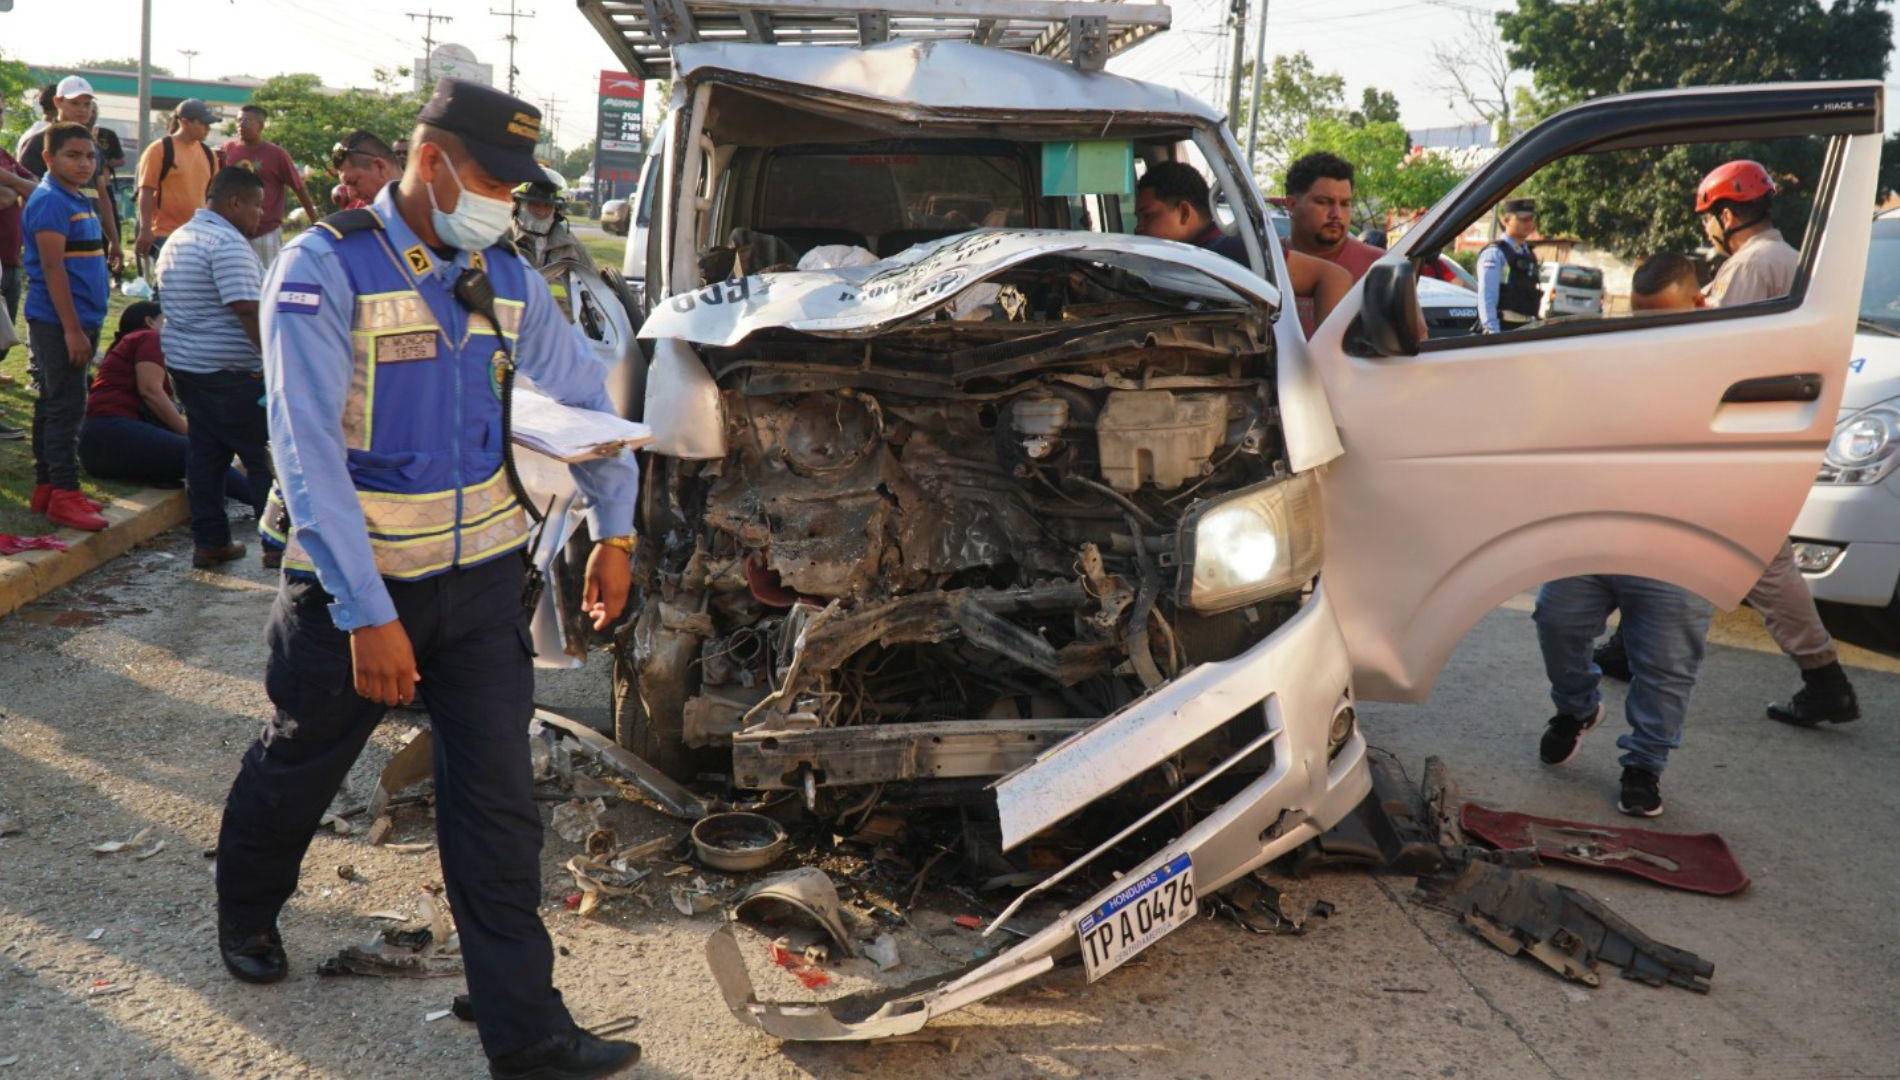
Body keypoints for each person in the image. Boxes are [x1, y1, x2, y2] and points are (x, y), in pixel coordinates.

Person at [215, 78, 641, 1080]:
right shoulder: (327, 270)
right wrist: (367, 615)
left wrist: (616, 531)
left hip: (485, 588)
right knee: (301, 761)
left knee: (497, 805)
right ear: (433, 159)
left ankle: (526, 1035)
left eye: (517, 185)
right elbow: (305, 449)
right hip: (352, 598)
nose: (506, 199)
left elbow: (589, 399)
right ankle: (246, 908)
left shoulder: (505, 277)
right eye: (493, 177)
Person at [1618, 160, 1858, 728]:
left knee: (1763, 564)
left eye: (1708, 219)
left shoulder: (1753, 266)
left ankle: (1825, 679)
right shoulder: (1782, 258)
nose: (1707, 231)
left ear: (1726, 214)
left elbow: (1715, 351)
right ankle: (1629, 646)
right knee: (1672, 538)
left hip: (1741, 436)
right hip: (1757, 432)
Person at [1532, 253, 1718, 818]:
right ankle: (1578, 707)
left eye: (1662, 315)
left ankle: (1644, 766)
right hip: (1601, 525)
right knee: (1556, 618)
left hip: (1681, 537)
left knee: (1663, 666)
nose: (1649, 327)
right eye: (1640, 315)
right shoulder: (1614, 355)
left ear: (1698, 304)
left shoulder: (1732, 360)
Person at [153, 166, 275, 569]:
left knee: (206, 457)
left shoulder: (180, 238)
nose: (260, 214)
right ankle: (278, 546)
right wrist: (274, 360)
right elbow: (246, 308)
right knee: (264, 459)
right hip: (231, 374)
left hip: (189, 368)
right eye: (256, 205)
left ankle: (210, 542)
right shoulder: (226, 243)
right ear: (234, 202)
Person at [1133, 161, 1351, 330]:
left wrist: (1327, 358)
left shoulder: (1229, 252)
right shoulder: (1189, 256)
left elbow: (1333, 276)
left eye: (1147, 216)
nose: (1138, 229)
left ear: (1184, 212)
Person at [22, 123, 111, 532]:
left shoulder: (75, 196)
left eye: (89, 156)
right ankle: (65, 493)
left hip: (79, 320)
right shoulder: (50, 202)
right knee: (66, 407)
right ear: (48, 158)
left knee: (54, 402)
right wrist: (72, 330)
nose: (83, 164)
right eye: (73, 156)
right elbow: (53, 268)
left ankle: (48, 488)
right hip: (59, 322)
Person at [78, 300, 254, 504]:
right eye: (166, 320)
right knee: (206, 454)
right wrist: (188, 432)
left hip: (99, 446)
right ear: (150, 322)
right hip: (111, 433)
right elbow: (151, 391)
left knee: (197, 453)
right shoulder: (149, 337)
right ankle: (268, 507)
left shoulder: (127, 344)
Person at [19, 77, 125, 277]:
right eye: (75, 103)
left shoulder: (91, 145)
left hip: (90, 236)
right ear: (58, 102)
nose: (82, 109)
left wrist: (114, 240)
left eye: (87, 104)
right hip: (56, 236)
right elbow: (25, 196)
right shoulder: (40, 143)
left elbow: (102, 197)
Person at [1284, 151, 1387, 334]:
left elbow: (1414, 345)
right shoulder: (1268, 260)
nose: (1337, 214)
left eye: (1345, 204)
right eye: (1324, 202)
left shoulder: (1380, 267)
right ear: (1292, 205)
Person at [219, 104, 318, 266]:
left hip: (265, 232)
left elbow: (299, 188)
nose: (240, 125)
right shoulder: (228, 149)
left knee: (267, 281)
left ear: (261, 125)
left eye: (246, 121)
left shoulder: (277, 154)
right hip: (233, 231)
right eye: (238, 120)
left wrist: (316, 221)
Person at [135, 99, 219, 272]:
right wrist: (145, 230)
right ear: (185, 122)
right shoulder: (159, 149)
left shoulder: (209, 154)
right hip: (165, 234)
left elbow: (212, 196)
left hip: (198, 236)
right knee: (165, 291)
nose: (208, 128)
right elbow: (146, 191)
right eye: (203, 123)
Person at [0, 95, 39, 410]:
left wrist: (11, 188)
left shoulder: (4, 155)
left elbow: (35, 184)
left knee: (4, 334)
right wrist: (16, 190)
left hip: (10, 257)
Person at [510, 167, 595, 272]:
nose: (541, 211)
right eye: (534, 204)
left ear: (557, 210)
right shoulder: (503, 241)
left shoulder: (570, 245)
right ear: (518, 206)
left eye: (548, 205)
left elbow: (595, 281)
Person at [1476, 197, 1540, 333]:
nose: (1528, 223)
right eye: (1523, 219)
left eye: (1530, 218)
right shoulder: (1495, 253)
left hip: (1527, 327)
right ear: (1506, 220)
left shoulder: (1528, 253)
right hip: (1504, 327)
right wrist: (1493, 332)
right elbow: (1487, 296)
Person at [330, 129, 399, 209]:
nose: (351, 194)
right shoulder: (361, 217)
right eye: (347, 186)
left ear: (380, 167)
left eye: (354, 183)